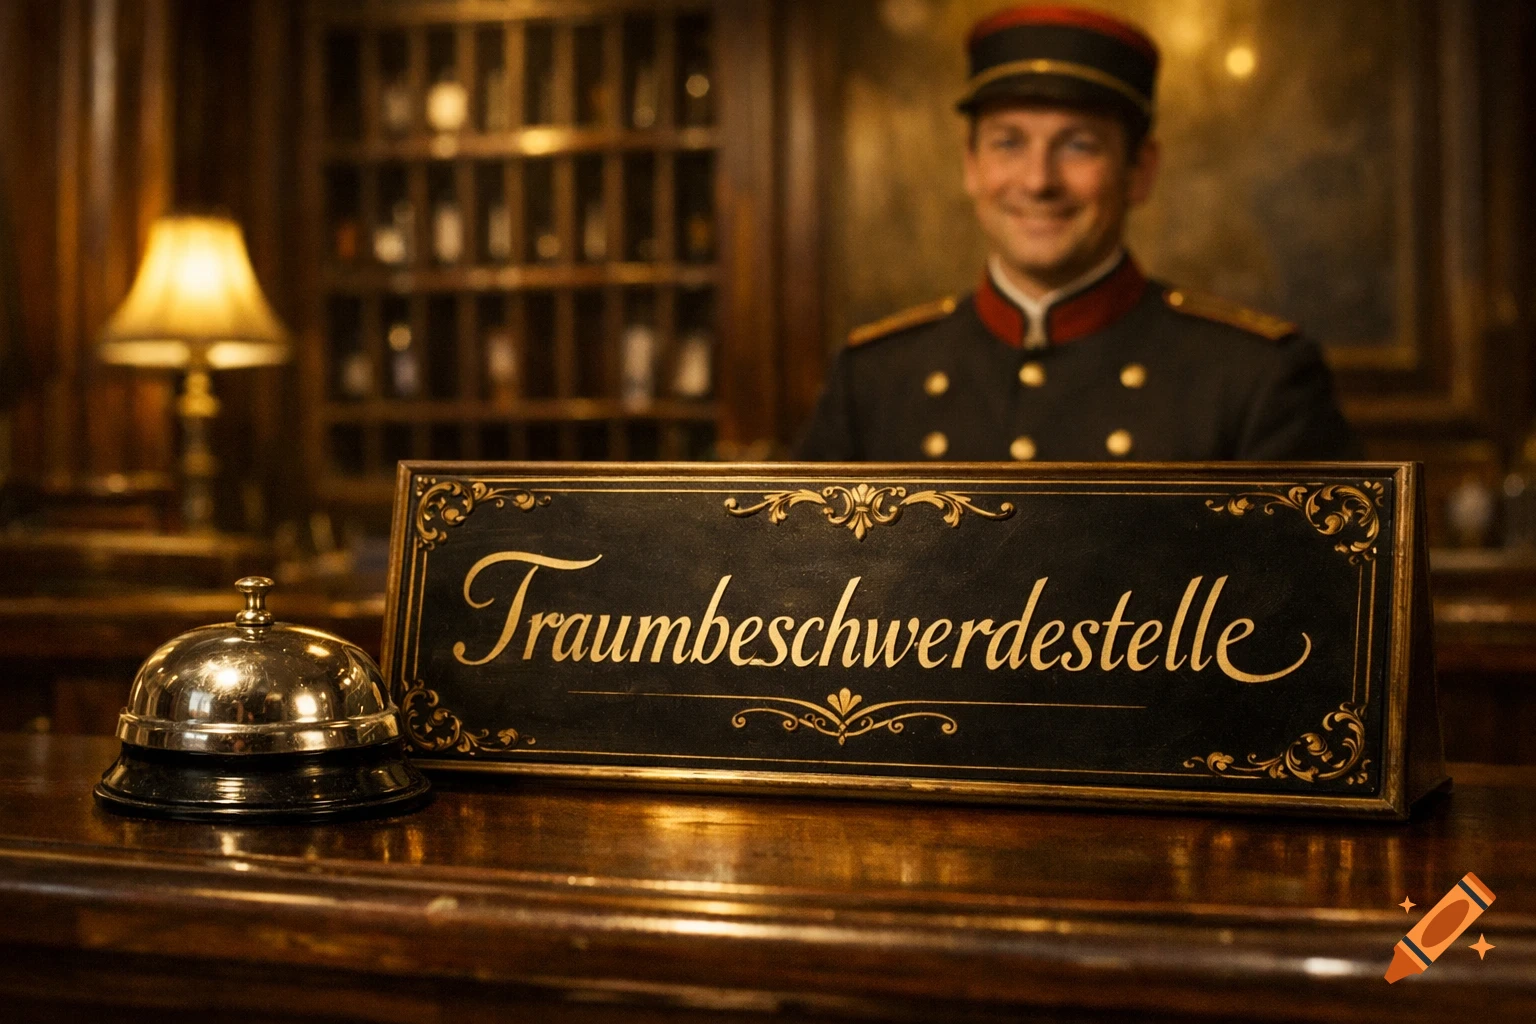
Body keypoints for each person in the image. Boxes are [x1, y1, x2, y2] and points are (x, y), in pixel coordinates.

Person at [796, 5, 1358, 463]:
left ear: (1140, 171)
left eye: (1079, 145)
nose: (1039, 182)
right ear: (970, 165)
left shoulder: (1257, 380)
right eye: (1008, 142)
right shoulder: (871, 381)